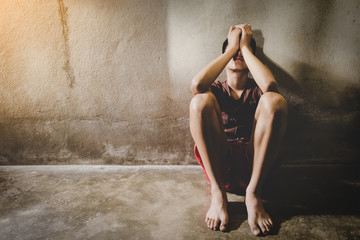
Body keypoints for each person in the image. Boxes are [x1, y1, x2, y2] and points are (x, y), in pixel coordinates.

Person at [189, 23, 288, 235]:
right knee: (199, 101)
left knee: (275, 101)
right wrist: (232, 49)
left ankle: (254, 195)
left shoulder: (256, 89)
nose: (238, 56)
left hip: (255, 166)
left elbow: (271, 87)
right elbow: (197, 85)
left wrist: (245, 48)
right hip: (221, 165)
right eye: (235, 52)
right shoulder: (216, 89)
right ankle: (218, 196)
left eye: (242, 52)